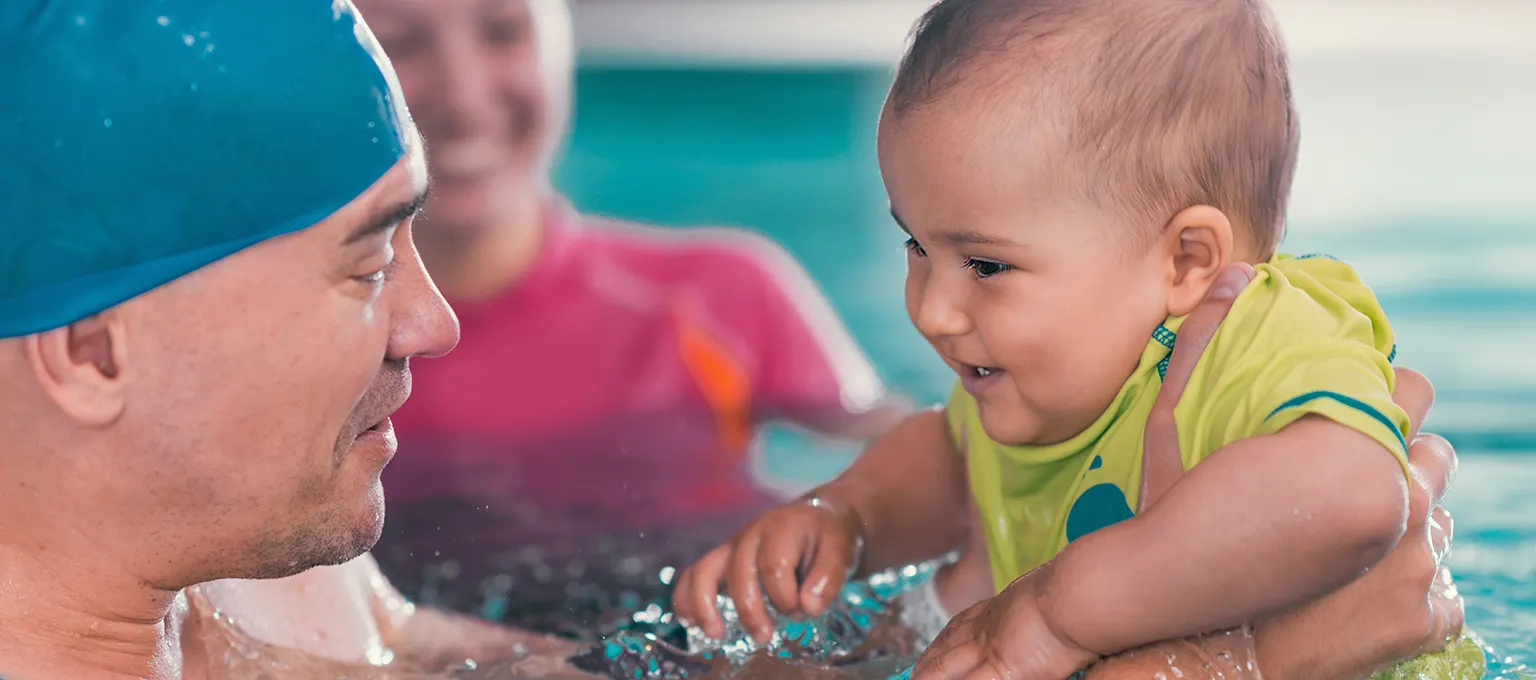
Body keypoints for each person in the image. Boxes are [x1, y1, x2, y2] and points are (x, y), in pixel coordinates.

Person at [0, 1, 1466, 680]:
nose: (434, 320)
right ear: (91, 350)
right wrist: (1237, 665)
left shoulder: (282, 582)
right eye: (370, 261)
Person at [674, 0, 1480, 677]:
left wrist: (1059, 613)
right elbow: (950, 456)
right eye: (916, 246)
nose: (932, 310)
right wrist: (848, 517)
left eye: (985, 264)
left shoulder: (1251, 331)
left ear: (1185, 261)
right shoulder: (1037, 377)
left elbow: (1353, 495)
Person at [351, 0, 910, 631]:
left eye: (503, 33)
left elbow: (914, 456)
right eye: (401, 43)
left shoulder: (718, 296)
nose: (463, 94)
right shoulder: (315, 348)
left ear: (560, 46)